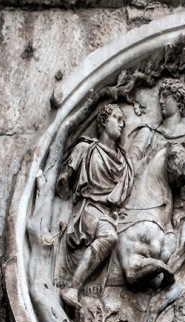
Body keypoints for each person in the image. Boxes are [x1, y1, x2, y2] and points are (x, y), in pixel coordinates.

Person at [55, 104, 134, 308]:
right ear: (103, 121)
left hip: (110, 213)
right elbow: (63, 182)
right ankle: (72, 287)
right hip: (88, 209)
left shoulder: (124, 161)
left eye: (123, 120)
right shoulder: (86, 148)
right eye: (117, 118)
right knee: (109, 237)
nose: (122, 123)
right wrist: (64, 178)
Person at [127, 78, 185, 171]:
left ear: (178, 99)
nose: (161, 101)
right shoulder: (148, 133)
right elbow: (130, 165)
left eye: (165, 96)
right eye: (160, 97)